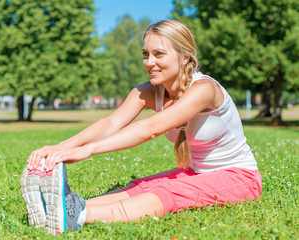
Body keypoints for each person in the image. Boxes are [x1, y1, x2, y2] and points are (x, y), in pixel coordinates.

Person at [20, 20, 262, 235]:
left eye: (159, 54)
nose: (150, 62)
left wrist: (89, 150)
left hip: (240, 177)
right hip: (196, 172)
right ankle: (65, 207)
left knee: (168, 193)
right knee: (141, 186)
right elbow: (111, 123)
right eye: (146, 54)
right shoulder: (148, 91)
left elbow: (151, 128)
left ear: (185, 57)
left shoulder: (204, 89)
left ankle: (79, 215)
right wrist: (62, 147)